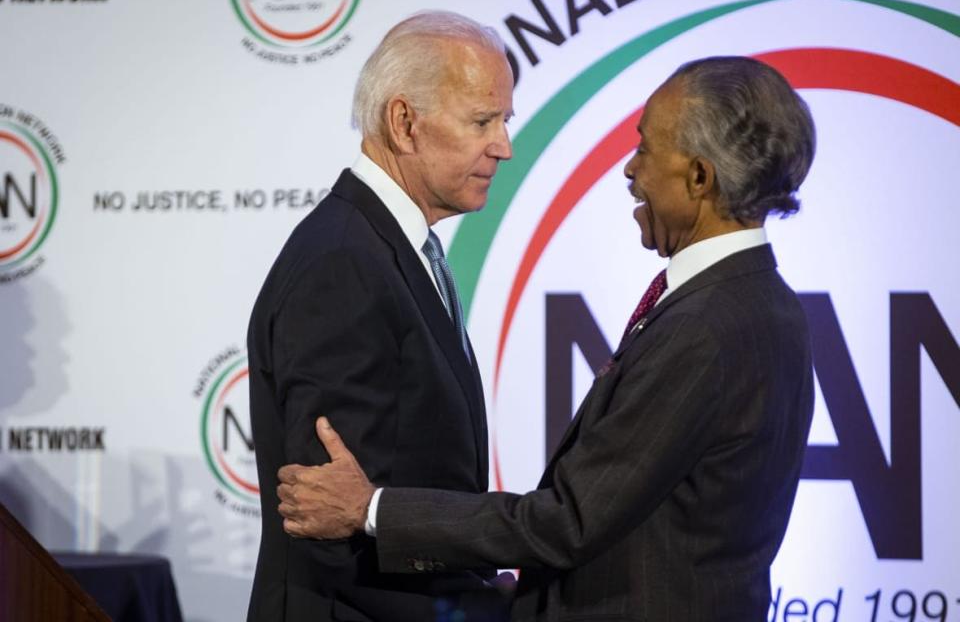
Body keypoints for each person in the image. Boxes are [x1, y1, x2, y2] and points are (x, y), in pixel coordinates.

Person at [275, 55, 818, 621]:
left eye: (646, 148)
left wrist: (370, 508)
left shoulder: (708, 327)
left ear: (700, 177)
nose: (630, 170)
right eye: (482, 122)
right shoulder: (764, 303)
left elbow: (570, 520)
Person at [246, 11, 514, 622]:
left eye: (504, 120)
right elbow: (326, 519)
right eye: (482, 121)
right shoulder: (344, 262)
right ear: (404, 123)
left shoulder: (387, 247)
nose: (503, 146)